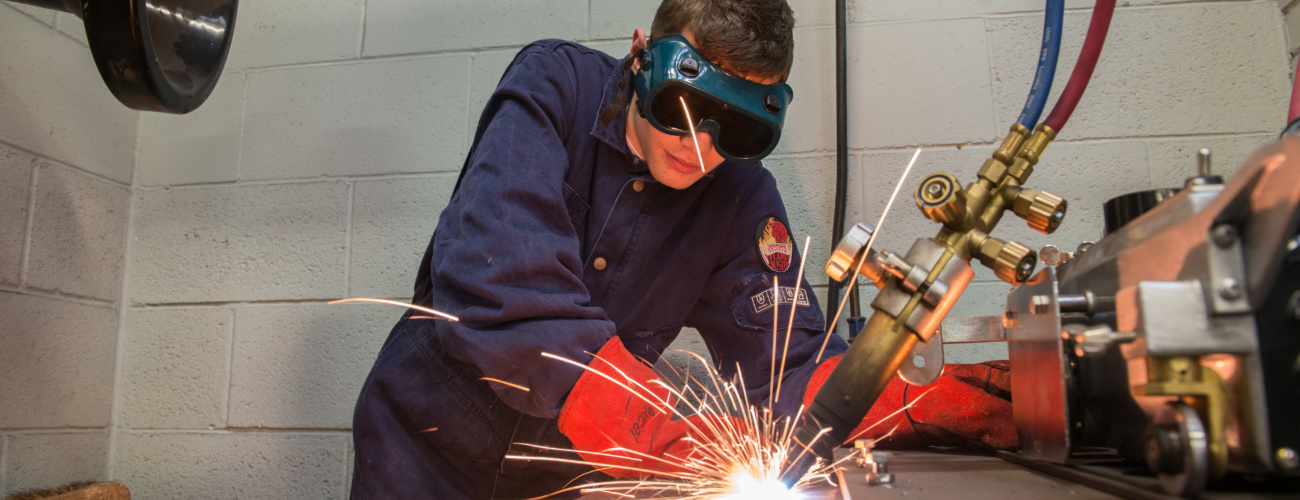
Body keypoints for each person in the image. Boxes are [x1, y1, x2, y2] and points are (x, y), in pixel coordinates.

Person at [350, 1, 1014, 498]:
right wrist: (640, 419)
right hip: (422, 451)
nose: (702, 148)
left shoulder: (740, 197)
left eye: (739, 131)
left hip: (565, 479)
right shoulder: (556, 86)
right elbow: (498, 272)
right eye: (684, 109)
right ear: (642, 53)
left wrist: (901, 394)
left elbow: (786, 365)